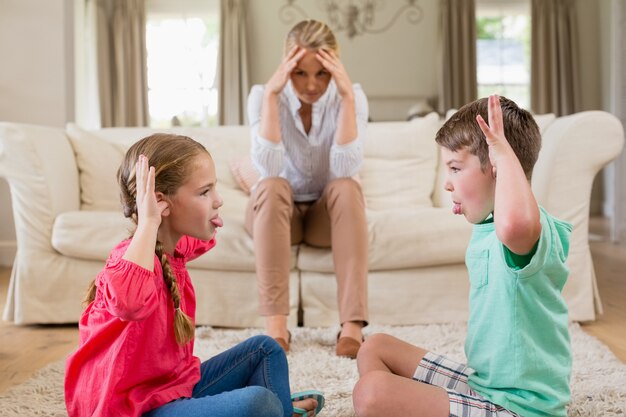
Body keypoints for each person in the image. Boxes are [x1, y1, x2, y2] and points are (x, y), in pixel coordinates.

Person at [64, 134, 325, 417]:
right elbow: (129, 302)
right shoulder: (127, 264)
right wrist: (148, 220)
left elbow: (202, 237)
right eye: (205, 192)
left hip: (170, 393)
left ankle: (280, 411)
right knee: (259, 402)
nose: (218, 200)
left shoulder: (172, 251)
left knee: (265, 349)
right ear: (161, 203)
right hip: (129, 411)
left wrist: (202, 213)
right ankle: (280, 410)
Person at [352, 95, 572, 417]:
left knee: (371, 394)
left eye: (455, 168)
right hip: (484, 387)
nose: (447, 184)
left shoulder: (527, 231)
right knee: (375, 347)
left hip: (521, 409)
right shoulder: (488, 226)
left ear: (497, 167)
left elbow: (515, 225)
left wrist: (504, 154)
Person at [245, 19, 369, 359]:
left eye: (322, 74)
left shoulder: (352, 97)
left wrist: (344, 97)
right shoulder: (261, 96)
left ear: (335, 68)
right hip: (273, 213)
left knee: (346, 186)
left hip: (322, 218)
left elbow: (344, 168)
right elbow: (268, 168)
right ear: (286, 65)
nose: (312, 85)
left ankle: (352, 328)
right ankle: (276, 328)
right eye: (301, 73)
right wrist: (272, 95)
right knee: (272, 184)